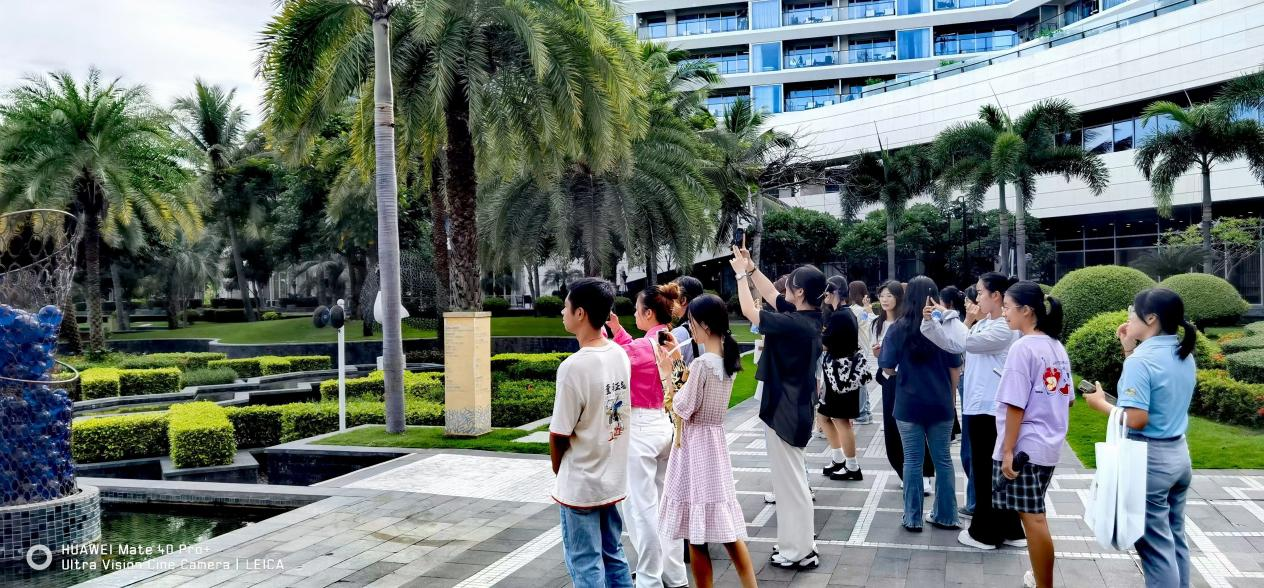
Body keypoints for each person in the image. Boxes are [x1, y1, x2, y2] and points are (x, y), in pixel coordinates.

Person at [1083, 288, 1197, 588]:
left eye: (1132, 314)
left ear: (1151, 319)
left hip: (1151, 462)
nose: (1127, 319)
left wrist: (1100, 404)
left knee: (1156, 549)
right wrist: (1129, 349)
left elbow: (1136, 419)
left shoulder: (1142, 362)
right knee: (1174, 537)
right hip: (1178, 456)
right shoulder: (1182, 353)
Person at [730, 246, 824, 570]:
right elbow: (770, 293)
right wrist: (751, 268)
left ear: (799, 293)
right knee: (790, 484)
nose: (784, 291)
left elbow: (750, 310)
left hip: (786, 410)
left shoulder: (796, 324)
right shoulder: (806, 317)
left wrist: (740, 276)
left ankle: (799, 550)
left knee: (791, 485)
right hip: (792, 408)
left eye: (790, 286)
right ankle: (795, 545)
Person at [657, 295, 759, 588]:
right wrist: (678, 365)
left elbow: (682, 407)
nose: (690, 329)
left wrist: (668, 374)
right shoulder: (726, 359)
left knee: (696, 533)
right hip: (713, 444)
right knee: (727, 532)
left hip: (695, 447)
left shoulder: (702, 364)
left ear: (704, 325)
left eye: (692, 323)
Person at [921, 273, 1025, 550]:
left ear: (996, 296)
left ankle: (985, 533)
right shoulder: (987, 324)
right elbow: (953, 343)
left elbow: (966, 341)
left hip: (991, 407)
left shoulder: (1004, 327)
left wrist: (948, 315)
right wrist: (931, 322)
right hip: (980, 405)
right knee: (989, 470)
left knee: (986, 470)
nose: (976, 298)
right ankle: (1009, 529)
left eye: (980, 292)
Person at [549, 278, 634, 587]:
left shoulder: (573, 367)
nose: (562, 312)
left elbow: (559, 433)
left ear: (580, 313)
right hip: (611, 478)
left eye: (566, 306)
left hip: (582, 482)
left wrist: (560, 470)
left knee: (585, 562)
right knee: (613, 554)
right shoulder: (618, 354)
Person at [606, 284, 689, 588]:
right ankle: (674, 575)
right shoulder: (668, 341)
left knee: (642, 510)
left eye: (637, 309)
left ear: (649, 313)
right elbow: (638, 352)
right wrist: (618, 332)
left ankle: (649, 579)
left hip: (641, 429)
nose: (634, 314)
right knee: (665, 506)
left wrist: (603, 334)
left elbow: (614, 358)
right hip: (664, 426)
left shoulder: (643, 347)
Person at [993, 281, 1072, 588]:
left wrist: (1007, 450)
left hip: (1026, 448)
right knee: (1036, 516)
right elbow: (1067, 397)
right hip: (1048, 445)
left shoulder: (1023, 347)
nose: (1004, 313)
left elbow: (1015, 404)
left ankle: (1044, 584)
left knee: (1034, 519)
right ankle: (1039, 577)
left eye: (1007, 307)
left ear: (1026, 310)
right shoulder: (1055, 345)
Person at [879, 276, 962, 533]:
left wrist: (899, 372)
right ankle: (946, 515)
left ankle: (912, 517)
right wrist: (951, 399)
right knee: (943, 460)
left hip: (908, 404)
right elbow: (955, 367)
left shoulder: (898, 328)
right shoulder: (944, 327)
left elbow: (887, 367)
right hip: (940, 403)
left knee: (912, 461)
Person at [872, 281, 935, 486]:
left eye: (889, 295)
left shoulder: (906, 322)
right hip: (889, 380)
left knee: (912, 427)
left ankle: (923, 474)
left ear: (899, 297)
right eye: (882, 295)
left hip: (907, 379)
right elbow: (881, 358)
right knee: (892, 428)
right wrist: (879, 355)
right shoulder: (877, 324)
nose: (884, 300)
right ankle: (904, 472)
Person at [817, 277, 872, 481]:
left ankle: (852, 466)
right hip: (838, 375)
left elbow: (825, 344)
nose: (824, 296)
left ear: (834, 292)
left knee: (841, 420)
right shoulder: (842, 313)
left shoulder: (840, 316)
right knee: (824, 416)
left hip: (841, 375)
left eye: (826, 292)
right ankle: (839, 458)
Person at [847, 281, 876, 425]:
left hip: (856, 349)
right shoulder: (864, 310)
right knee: (861, 381)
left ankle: (862, 414)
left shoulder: (854, 311)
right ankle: (866, 412)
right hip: (863, 348)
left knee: (859, 383)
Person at [671, 276, 707, 365]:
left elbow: (671, 369)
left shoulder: (681, 332)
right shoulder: (705, 328)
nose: (669, 301)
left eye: (672, 296)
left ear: (683, 300)